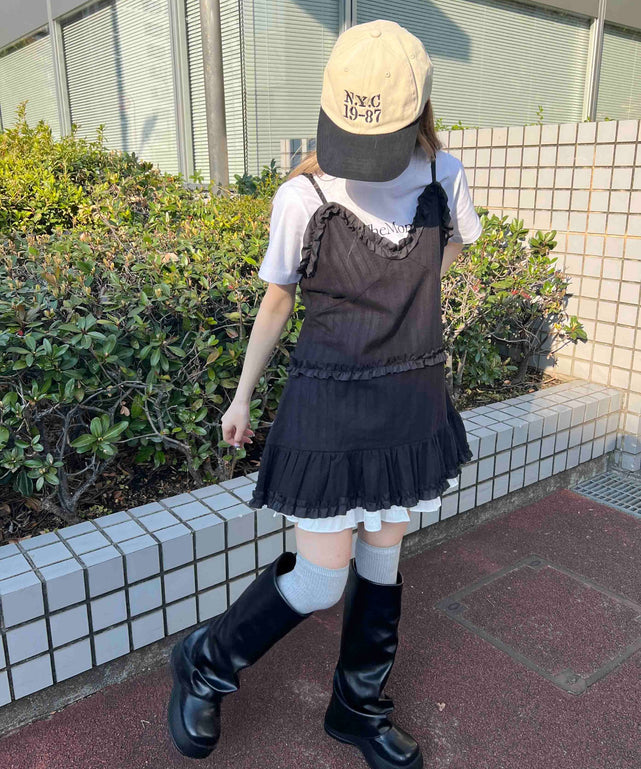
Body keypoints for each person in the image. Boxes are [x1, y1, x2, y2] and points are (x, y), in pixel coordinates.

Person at [167, 19, 482, 769]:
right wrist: (241, 397)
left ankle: (357, 707)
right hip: (329, 407)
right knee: (317, 579)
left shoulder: (445, 175)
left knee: (382, 563)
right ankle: (205, 661)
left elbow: (448, 261)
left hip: (408, 403)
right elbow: (277, 300)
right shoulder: (301, 195)